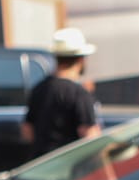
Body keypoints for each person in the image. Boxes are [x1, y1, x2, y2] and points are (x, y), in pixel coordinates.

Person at [22, 26, 102, 157]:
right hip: (69, 170)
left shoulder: (39, 88)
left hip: (40, 166)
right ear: (81, 60)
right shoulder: (79, 93)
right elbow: (90, 136)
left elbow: (27, 132)